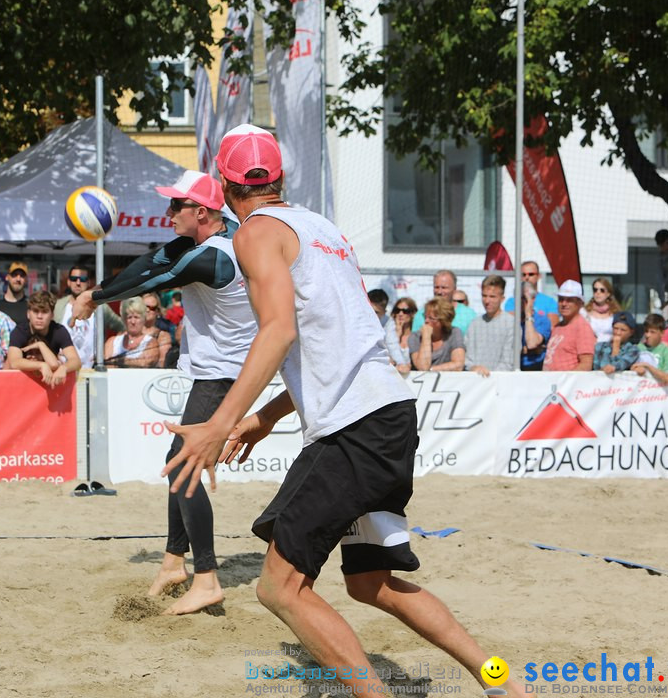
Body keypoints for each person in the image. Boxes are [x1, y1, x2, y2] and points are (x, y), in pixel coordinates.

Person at [162, 123, 522, 697]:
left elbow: (278, 331)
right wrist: (272, 414)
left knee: (278, 588)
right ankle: (505, 683)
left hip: (352, 430)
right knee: (372, 583)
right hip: (389, 414)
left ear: (223, 186)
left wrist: (221, 422)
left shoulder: (254, 233)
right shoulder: (323, 229)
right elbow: (341, 344)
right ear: (279, 177)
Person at [73, 167, 257, 615]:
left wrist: (93, 298)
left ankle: (207, 577)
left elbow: (153, 282)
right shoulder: (217, 234)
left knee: (182, 468)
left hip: (224, 376)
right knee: (179, 464)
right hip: (217, 370)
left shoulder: (212, 257)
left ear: (201, 212)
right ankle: (174, 562)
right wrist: (100, 291)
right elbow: (153, 260)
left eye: (176, 205)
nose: (168, 211)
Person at [53, 265, 124, 369]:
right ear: (68, 282)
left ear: (88, 283)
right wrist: (53, 353)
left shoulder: (100, 306)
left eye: (82, 279)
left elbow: (122, 327)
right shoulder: (58, 305)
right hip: (63, 369)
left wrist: (106, 350)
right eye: (74, 279)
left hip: (92, 369)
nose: (78, 283)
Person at [6, 290, 81, 386]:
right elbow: (14, 362)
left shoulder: (59, 331)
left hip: (51, 385)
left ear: (52, 315)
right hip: (22, 384)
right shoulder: (19, 331)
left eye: (44, 312)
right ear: (28, 314)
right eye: (35, 311)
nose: (39, 316)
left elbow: (76, 361)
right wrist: (41, 365)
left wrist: (64, 368)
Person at [464, 275, 514, 376]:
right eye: (484, 296)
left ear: (502, 298)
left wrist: (489, 376)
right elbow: (467, 358)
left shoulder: (511, 324)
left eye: (492, 297)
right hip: (474, 380)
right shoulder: (474, 324)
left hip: (500, 383)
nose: (487, 301)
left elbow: (508, 362)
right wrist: (473, 368)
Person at [544, 279, 596, 372]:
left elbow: (586, 364)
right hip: (551, 383)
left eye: (569, 300)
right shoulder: (558, 326)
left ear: (580, 303)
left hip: (566, 384)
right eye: (561, 299)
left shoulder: (582, 328)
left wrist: (567, 383)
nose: (564, 304)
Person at [411, 270, 476, 334]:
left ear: (454, 289)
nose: (439, 292)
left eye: (444, 288)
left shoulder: (469, 315)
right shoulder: (421, 314)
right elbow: (414, 341)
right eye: (436, 287)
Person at [409, 298, 466, 371]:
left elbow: (458, 365)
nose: (426, 321)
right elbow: (423, 367)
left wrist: (432, 370)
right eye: (425, 317)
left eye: (431, 318)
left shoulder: (454, 333)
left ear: (443, 321)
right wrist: (426, 337)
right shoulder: (415, 337)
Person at [104, 297, 159, 367]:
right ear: (124, 319)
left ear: (143, 319)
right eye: (129, 317)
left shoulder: (150, 343)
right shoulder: (112, 341)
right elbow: (107, 364)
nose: (133, 322)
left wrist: (116, 361)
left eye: (136, 317)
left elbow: (144, 363)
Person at [503, 261, 559, 327]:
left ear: (539, 276)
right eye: (523, 274)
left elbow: (552, 327)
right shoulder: (512, 302)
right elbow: (510, 325)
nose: (527, 277)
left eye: (531, 274)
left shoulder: (550, 302)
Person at [632, 314, 668, 386]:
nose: (647, 335)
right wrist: (635, 370)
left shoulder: (667, 351)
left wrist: (647, 367)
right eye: (646, 331)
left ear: (662, 333)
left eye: (652, 332)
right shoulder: (637, 348)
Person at [519, 282, 551, 371]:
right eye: (519, 298)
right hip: (515, 368)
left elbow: (532, 343)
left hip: (535, 368)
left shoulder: (543, 320)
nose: (521, 302)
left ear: (533, 299)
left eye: (525, 298)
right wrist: (523, 350)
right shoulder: (512, 321)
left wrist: (528, 314)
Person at [141, 291, 175, 367]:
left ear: (157, 312)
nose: (147, 310)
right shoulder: (129, 333)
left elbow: (162, 364)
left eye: (152, 308)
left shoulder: (163, 336)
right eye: (144, 307)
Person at [583, 277, 621, 344]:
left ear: (608, 294)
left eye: (602, 290)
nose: (598, 292)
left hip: (609, 350)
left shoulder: (616, 313)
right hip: (590, 349)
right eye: (595, 290)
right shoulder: (585, 312)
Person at [0, 261, 29, 326]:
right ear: (7, 277)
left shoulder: (30, 306)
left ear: (25, 280)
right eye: (14, 275)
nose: (18, 279)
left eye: (22, 276)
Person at [389, 297, 417, 374]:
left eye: (405, 311)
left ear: (413, 314)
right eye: (397, 311)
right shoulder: (387, 334)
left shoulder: (416, 335)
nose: (400, 314)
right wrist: (397, 334)